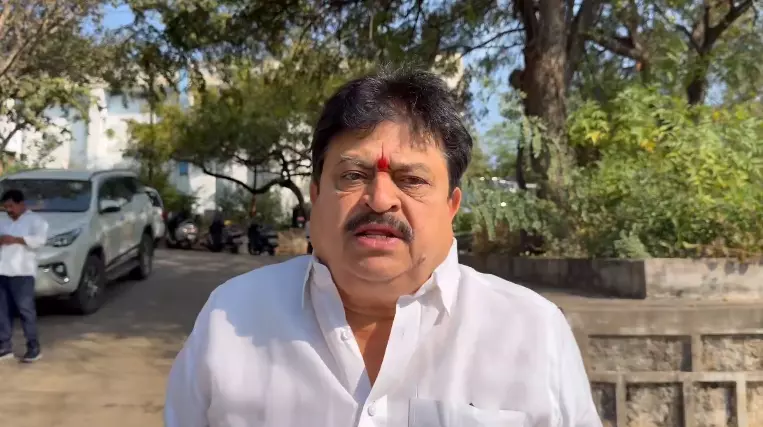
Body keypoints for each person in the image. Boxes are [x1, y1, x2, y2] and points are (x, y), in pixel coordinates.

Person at [164, 68, 601, 427]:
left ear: (452, 206)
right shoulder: (231, 317)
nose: (380, 199)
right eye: (353, 176)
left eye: (412, 180)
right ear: (316, 197)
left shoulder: (532, 332)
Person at [0, 189, 49, 363]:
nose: (8, 210)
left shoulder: (36, 221)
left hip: (23, 273)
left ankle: (33, 348)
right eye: (5, 207)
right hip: (3, 272)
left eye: (11, 206)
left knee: (25, 311)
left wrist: (16, 239)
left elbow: (40, 240)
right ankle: (5, 347)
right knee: (2, 312)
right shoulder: (3, 222)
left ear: (21, 204)